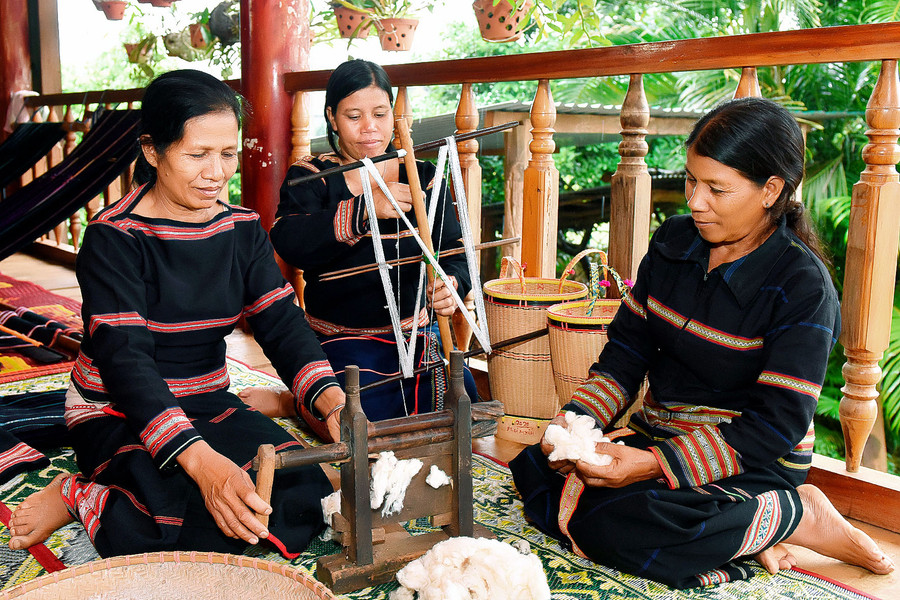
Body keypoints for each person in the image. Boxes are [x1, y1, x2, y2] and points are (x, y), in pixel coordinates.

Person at [509, 97, 895, 588]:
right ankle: (752, 532)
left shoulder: (802, 286)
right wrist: (574, 421)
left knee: (630, 525)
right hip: (661, 437)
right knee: (535, 469)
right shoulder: (673, 243)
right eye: (692, 180)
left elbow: (773, 427)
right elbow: (624, 357)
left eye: (717, 188)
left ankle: (797, 512)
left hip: (752, 461)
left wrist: (650, 467)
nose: (694, 201)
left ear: (770, 191)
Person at [7, 69, 344, 558]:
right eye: (198, 155)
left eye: (228, 154)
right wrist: (203, 464)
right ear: (151, 151)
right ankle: (75, 493)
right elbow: (128, 363)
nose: (217, 173)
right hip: (117, 408)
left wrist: (331, 402)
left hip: (207, 398)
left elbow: (282, 324)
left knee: (293, 499)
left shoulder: (243, 229)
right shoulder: (114, 238)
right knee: (186, 529)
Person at [243, 59, 476, 432]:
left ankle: (301, 403)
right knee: (351, 421)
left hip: (412, 334)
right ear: (332, 118)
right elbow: (289, 240)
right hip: (340, 338)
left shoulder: (424, 176)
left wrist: (451, 282)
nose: (370, 127)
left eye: (380, 113)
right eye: (354, 116)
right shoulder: (312, 176)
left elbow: (454, 248)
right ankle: (293, 400)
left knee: (458, 408)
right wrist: (367, 209)